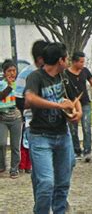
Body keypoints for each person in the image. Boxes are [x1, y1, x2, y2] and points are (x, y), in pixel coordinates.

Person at [25, 42, 82, 213]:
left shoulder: (63, 77)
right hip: (40, 136)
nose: (67, 62)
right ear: (60, 60)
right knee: (46, 182)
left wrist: (77, 112)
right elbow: (30, 98)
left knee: (63, 183)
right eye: (66, 58)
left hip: (62, 135)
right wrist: (57, 106)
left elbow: (74, 98)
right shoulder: (36, 77)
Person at [65, 52, 92, 162]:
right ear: (74, 62)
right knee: (73, 128)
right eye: (81, 61)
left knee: (86, 127)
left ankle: (87, 151)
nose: (83, 64)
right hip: (72, 104)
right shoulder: (65, 73)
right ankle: (76, 150)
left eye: (84, 61)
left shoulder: (85, 71)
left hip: (85, 103)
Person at [15, 40, 48, 174]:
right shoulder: (26, 74)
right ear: (41, 58)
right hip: (34, 122)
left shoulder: (51, 72)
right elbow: (19, 101)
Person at [0, 60, 22, 179]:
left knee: (15, 145)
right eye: (9, 71)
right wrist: (9, 86)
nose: (12, 73)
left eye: (14, 71)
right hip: (2, 117)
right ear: (4, 72)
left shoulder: (19, 84)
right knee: (1, 143)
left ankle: (14, 168)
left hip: (16, 117)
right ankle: (1, 165)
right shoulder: (1, 84)